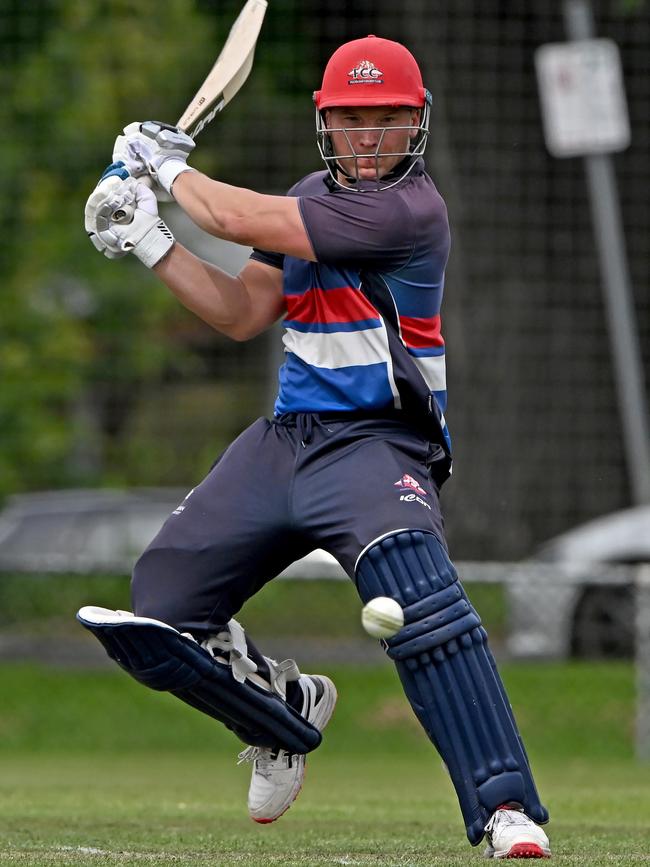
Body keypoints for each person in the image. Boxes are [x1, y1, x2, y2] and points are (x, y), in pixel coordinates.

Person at [81, 35, 551, 858]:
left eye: (388, 119)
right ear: (325, 123)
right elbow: (240, 313)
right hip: (285, 440)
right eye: (352, 118)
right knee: (155, 611)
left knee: (421, 602)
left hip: (377, 444)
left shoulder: (409, 210)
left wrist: (159, 165)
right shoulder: (307, 198)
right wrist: (150, 239)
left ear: (418, 125)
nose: (369, 136)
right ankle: (282, 713)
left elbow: (227, 214)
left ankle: (504, 807)